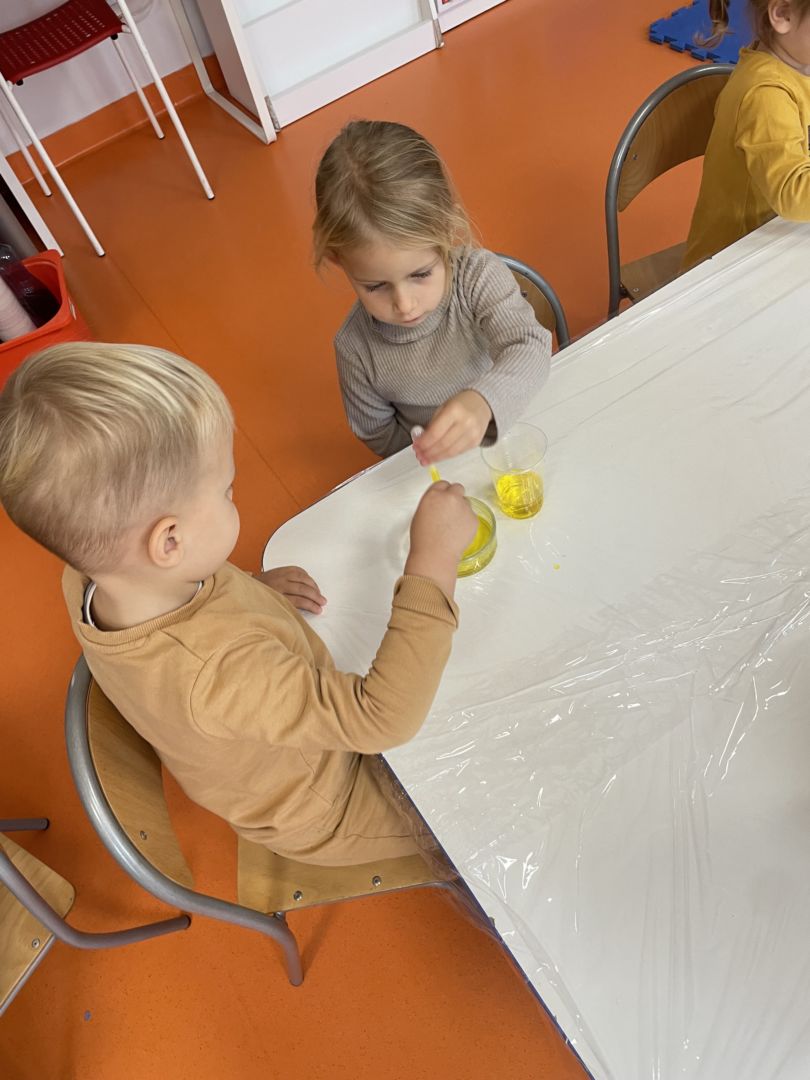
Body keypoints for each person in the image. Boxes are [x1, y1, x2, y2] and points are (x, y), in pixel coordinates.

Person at [0, 343, 477, 866]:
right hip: (335, 807)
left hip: (289, 733)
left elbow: (190, 612)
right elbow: (381, 719)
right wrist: (433, 560)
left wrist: (250, 589)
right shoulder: (219, 673)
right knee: (479, 796)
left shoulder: (93, 573)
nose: (234, 494)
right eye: (226, 490)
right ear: (170, 542)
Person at [313, 119, 551, 466]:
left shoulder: (476, 278)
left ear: (446, 228)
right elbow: (378, 433)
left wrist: (484, 401)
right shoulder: (355, 349)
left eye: (421, 274)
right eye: (375, 286)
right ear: (338, 260)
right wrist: (432, 453)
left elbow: (529, 345)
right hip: (444, 468)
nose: (404, 305)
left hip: (517, 425)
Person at [683, 0, 810, 271]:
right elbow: (793, 191)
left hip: (780, 236)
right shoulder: (765, 94)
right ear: (783, 14)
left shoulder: (800, 61)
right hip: (728, 263)